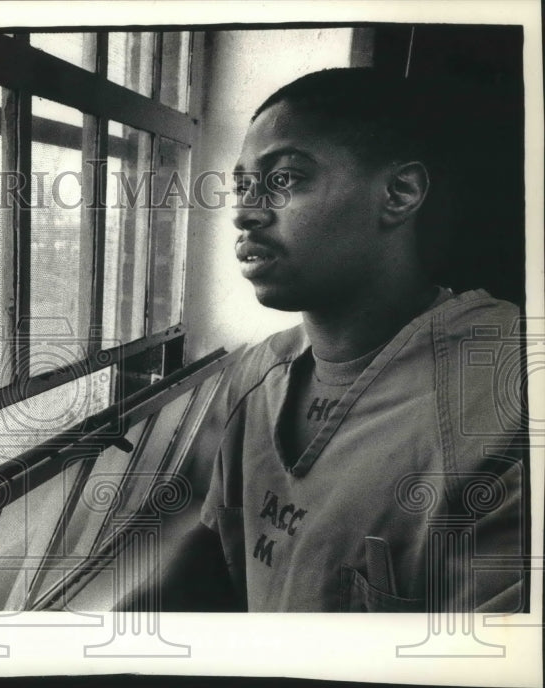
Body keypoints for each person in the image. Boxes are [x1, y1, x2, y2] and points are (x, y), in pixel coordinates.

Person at [155, 68, 526, 612]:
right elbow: (216, 552)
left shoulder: (505, 402)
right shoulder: (256, 377)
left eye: (285, 179)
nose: (244, 212)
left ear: (399, 193)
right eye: (241, 185)